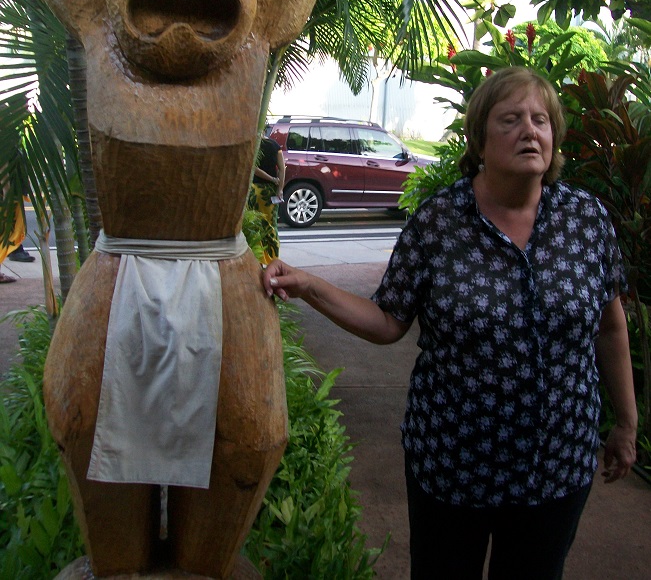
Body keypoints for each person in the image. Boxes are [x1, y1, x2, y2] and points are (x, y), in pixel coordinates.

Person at [262, 67, 638, 580]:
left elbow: (610, 328)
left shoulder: (585, 220)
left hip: (557, 465)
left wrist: (626, 423)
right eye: (511, 119)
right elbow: (388, 319)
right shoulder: (440, 222)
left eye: (541, 120)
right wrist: (307, 284)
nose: (531, 131)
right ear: (479, 137)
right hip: (453, 464)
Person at [248, 135, 286, 264]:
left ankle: (258, 259)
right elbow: (282, 169)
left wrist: (271, 179)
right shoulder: (274, 145)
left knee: (255, 225)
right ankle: (273, 259)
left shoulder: (253, 143)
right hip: (270, 192)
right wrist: (279, 188)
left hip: (254, 190)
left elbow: (253, 168)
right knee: (270, 225)